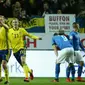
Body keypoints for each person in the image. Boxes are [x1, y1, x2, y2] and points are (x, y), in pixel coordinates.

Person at [0, 15, 9, 84]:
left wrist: (2, 23)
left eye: (1, 19)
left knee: (3, 64)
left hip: (6, 49)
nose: (0, 20)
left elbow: (7, 27)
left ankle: (7, 80)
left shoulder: (5, 27)